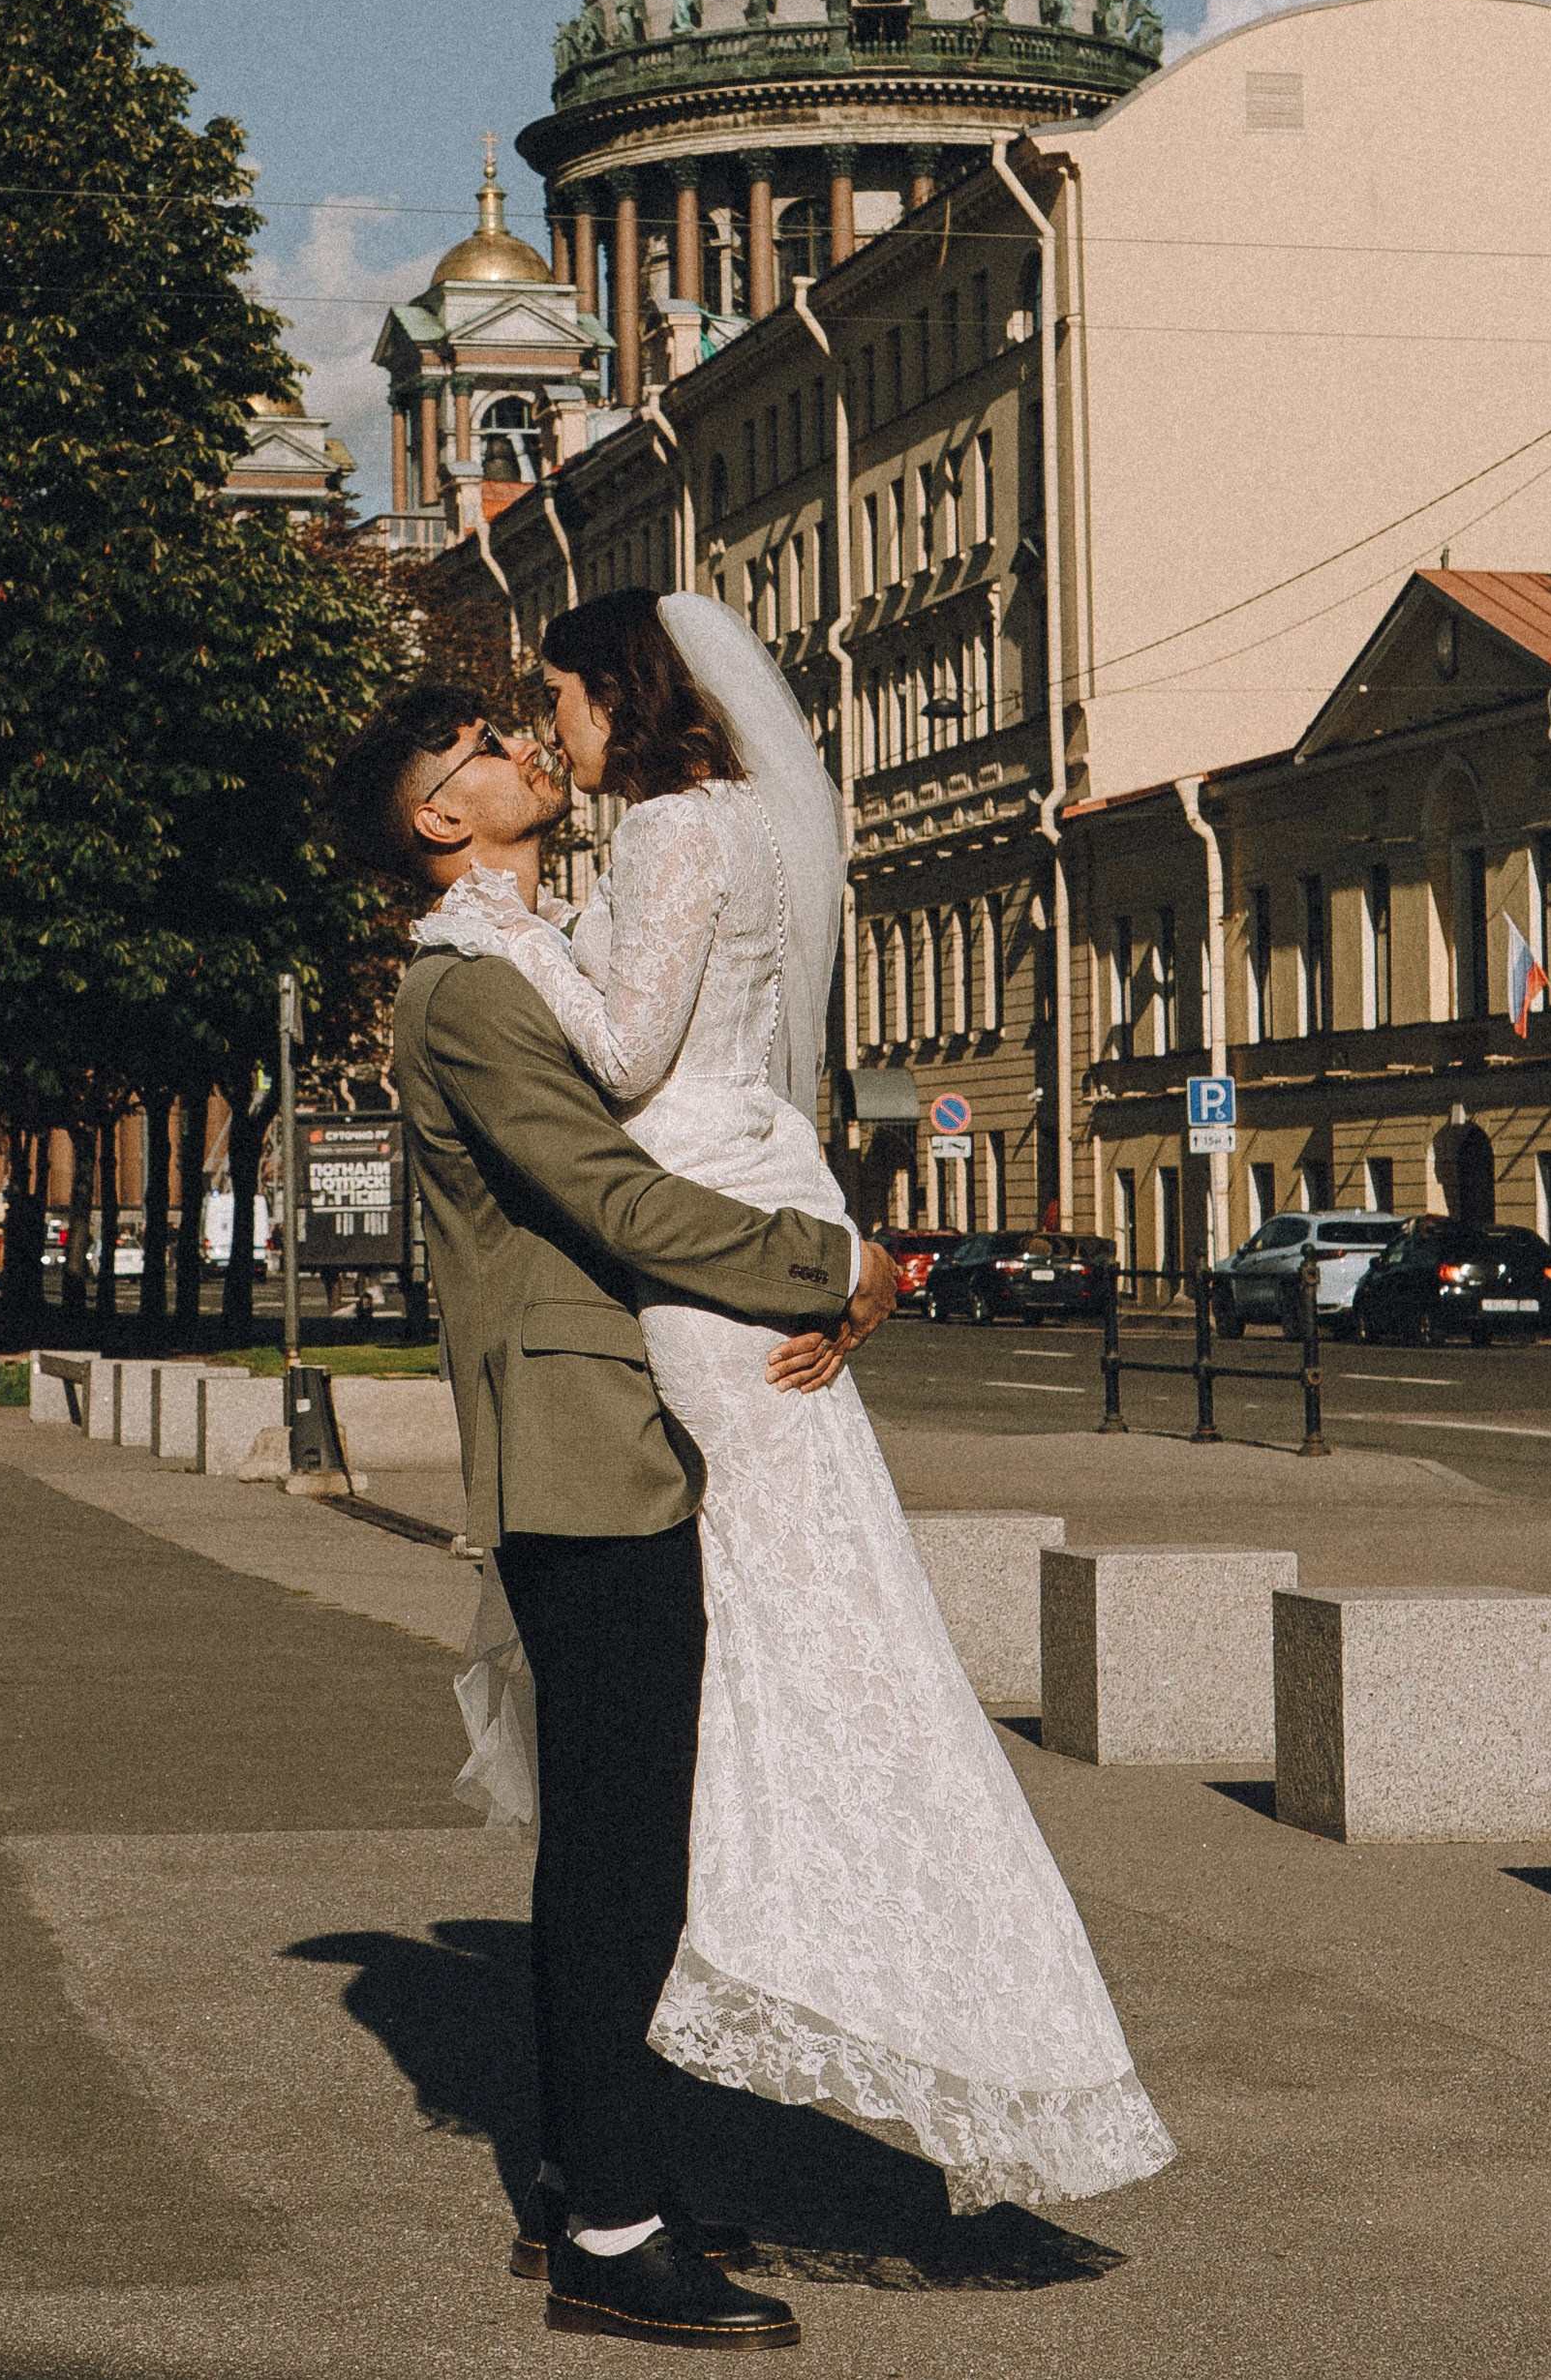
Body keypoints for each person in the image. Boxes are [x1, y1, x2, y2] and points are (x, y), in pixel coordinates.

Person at [431, 594, 1176, 2224]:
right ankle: (728, 1969)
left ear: (618, 696)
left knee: (732, 1641)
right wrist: (840, 1246)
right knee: (821, 1600)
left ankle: (748, 1931)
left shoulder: (671, 837)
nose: (547, 731)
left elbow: (626, 1063)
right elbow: (755, 1051)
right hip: (777, 1179)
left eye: (554, 699)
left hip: (703, 1226)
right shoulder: (770, 821)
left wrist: (511, 932)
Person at [330, 683, 899, 2353]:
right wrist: (834, 1263)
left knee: (619, 1838)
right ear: (443, 817)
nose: (526, 751)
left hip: (602, 1438)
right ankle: (611, 2233)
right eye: (489, 748)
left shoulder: (512, 962)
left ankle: (602, 2174)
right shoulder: (471, 992)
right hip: (585, 1450)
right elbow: (613, 1196)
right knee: (615, 1852)